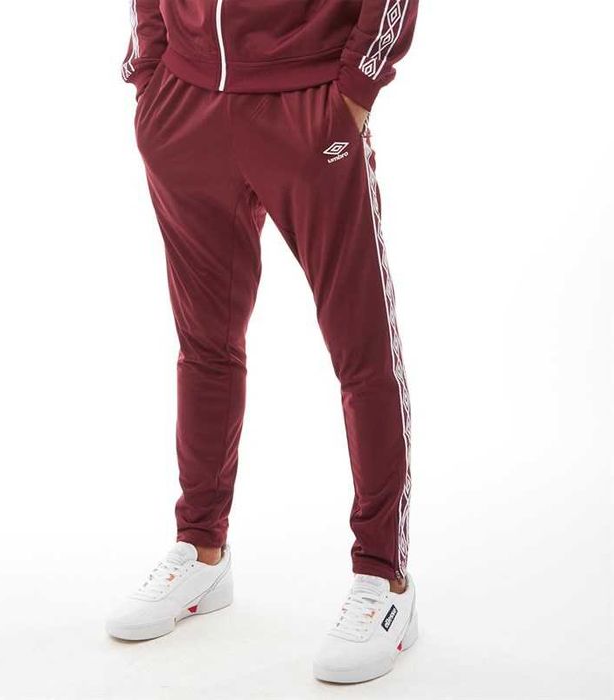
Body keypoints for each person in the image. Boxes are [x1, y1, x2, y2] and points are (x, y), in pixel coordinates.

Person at [106, 0, 420, 684]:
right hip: (185, 99)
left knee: (361, 352)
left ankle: (383, 579)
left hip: (307, 104)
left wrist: (357, 88)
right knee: (204, 343)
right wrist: (150, 69)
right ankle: (201, 549)